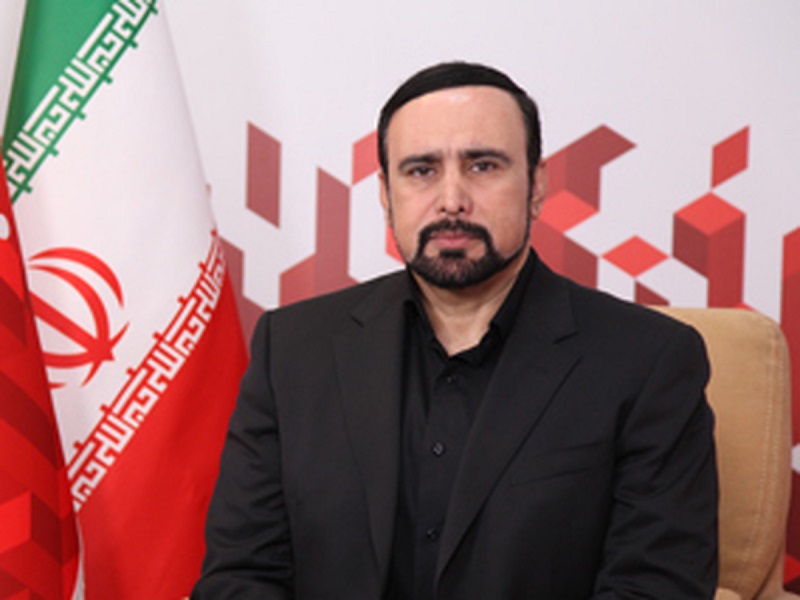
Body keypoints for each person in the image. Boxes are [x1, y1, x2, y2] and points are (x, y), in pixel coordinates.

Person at [192, 61, 718, 599]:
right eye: (421, 170)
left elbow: (654, 589)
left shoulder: (646, 361)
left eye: (483, 166)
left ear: (536, 186)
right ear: (385, 194)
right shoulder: (293, 351)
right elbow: (241, 577)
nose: (451, 200)